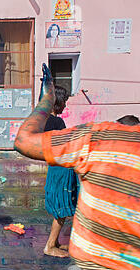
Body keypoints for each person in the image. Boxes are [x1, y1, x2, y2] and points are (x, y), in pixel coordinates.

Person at [14, 63, 140, 270]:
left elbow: (24, 140)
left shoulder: (99, 137)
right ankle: (51, 244)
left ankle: (52, 244)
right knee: (62, 210)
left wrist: (44, 99)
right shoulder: (98, 138)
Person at [43, 86, 79, 258]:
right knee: (61, 208)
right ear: (57, 102)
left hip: (55, 167)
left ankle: (56, 242)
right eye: (64, 101)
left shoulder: (46, 121)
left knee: (60, 207)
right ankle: (50, 246)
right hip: (60, 168)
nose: (65, 105)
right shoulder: (56, 123)